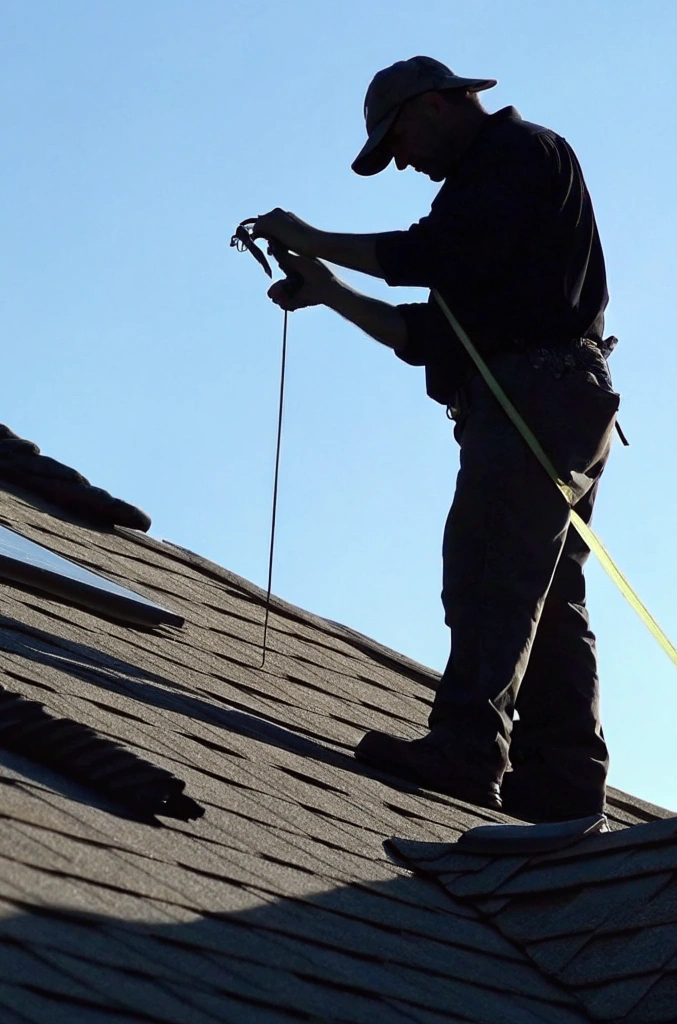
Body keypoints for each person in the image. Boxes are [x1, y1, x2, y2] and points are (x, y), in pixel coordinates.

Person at [251, 56, 619, 824]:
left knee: (488, 568)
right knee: (543, 595)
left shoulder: (518, 157)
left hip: (536, 399)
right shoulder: (482, 200)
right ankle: (560, 781)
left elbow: (425, 257)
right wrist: (328, 289)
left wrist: (312, 237)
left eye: (400, 143)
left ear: (437, 106)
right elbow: (428, 333)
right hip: (554, 402)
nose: (405, 164)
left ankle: (467, 747)